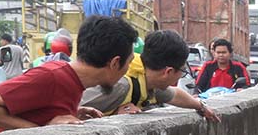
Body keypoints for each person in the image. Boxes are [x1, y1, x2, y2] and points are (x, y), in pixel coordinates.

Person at [0, 14, 135, 132]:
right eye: (129, 62)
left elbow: (37, 111)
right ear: (114, 63)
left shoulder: (74, 82)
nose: (128, 68)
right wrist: (43, 130)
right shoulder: (51, 76)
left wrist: (72, 113)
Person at [80, 30, 218, 122]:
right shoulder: (121, 85)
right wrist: (112, 116)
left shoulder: (147, 82)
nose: (181, 76)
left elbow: (174, 95)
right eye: (182, 71)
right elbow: (66, 112)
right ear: (168, 72)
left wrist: (201, 106)